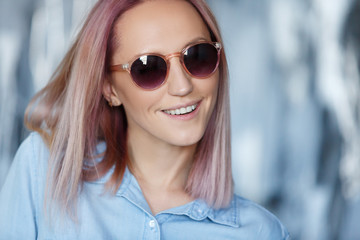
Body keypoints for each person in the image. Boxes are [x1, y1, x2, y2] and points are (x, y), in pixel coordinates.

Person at [0, 0, 290, 239]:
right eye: (148, 68)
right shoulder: (44, 171)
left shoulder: (262, 232)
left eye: (197, 56)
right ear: (109, 88)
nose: (182, 87)